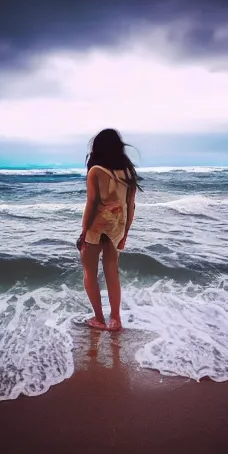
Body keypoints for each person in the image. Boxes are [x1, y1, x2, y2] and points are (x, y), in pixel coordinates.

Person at [77, 129, 142, 332]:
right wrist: (125, 233)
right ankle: (115, 319)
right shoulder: (128, 172)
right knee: (112, 271)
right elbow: (130, 205)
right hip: (117, 226)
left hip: (97, 225)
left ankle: (98, 318)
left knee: (89, 271)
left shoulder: (96, 170)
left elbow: (92, 203)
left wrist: (83, 232)